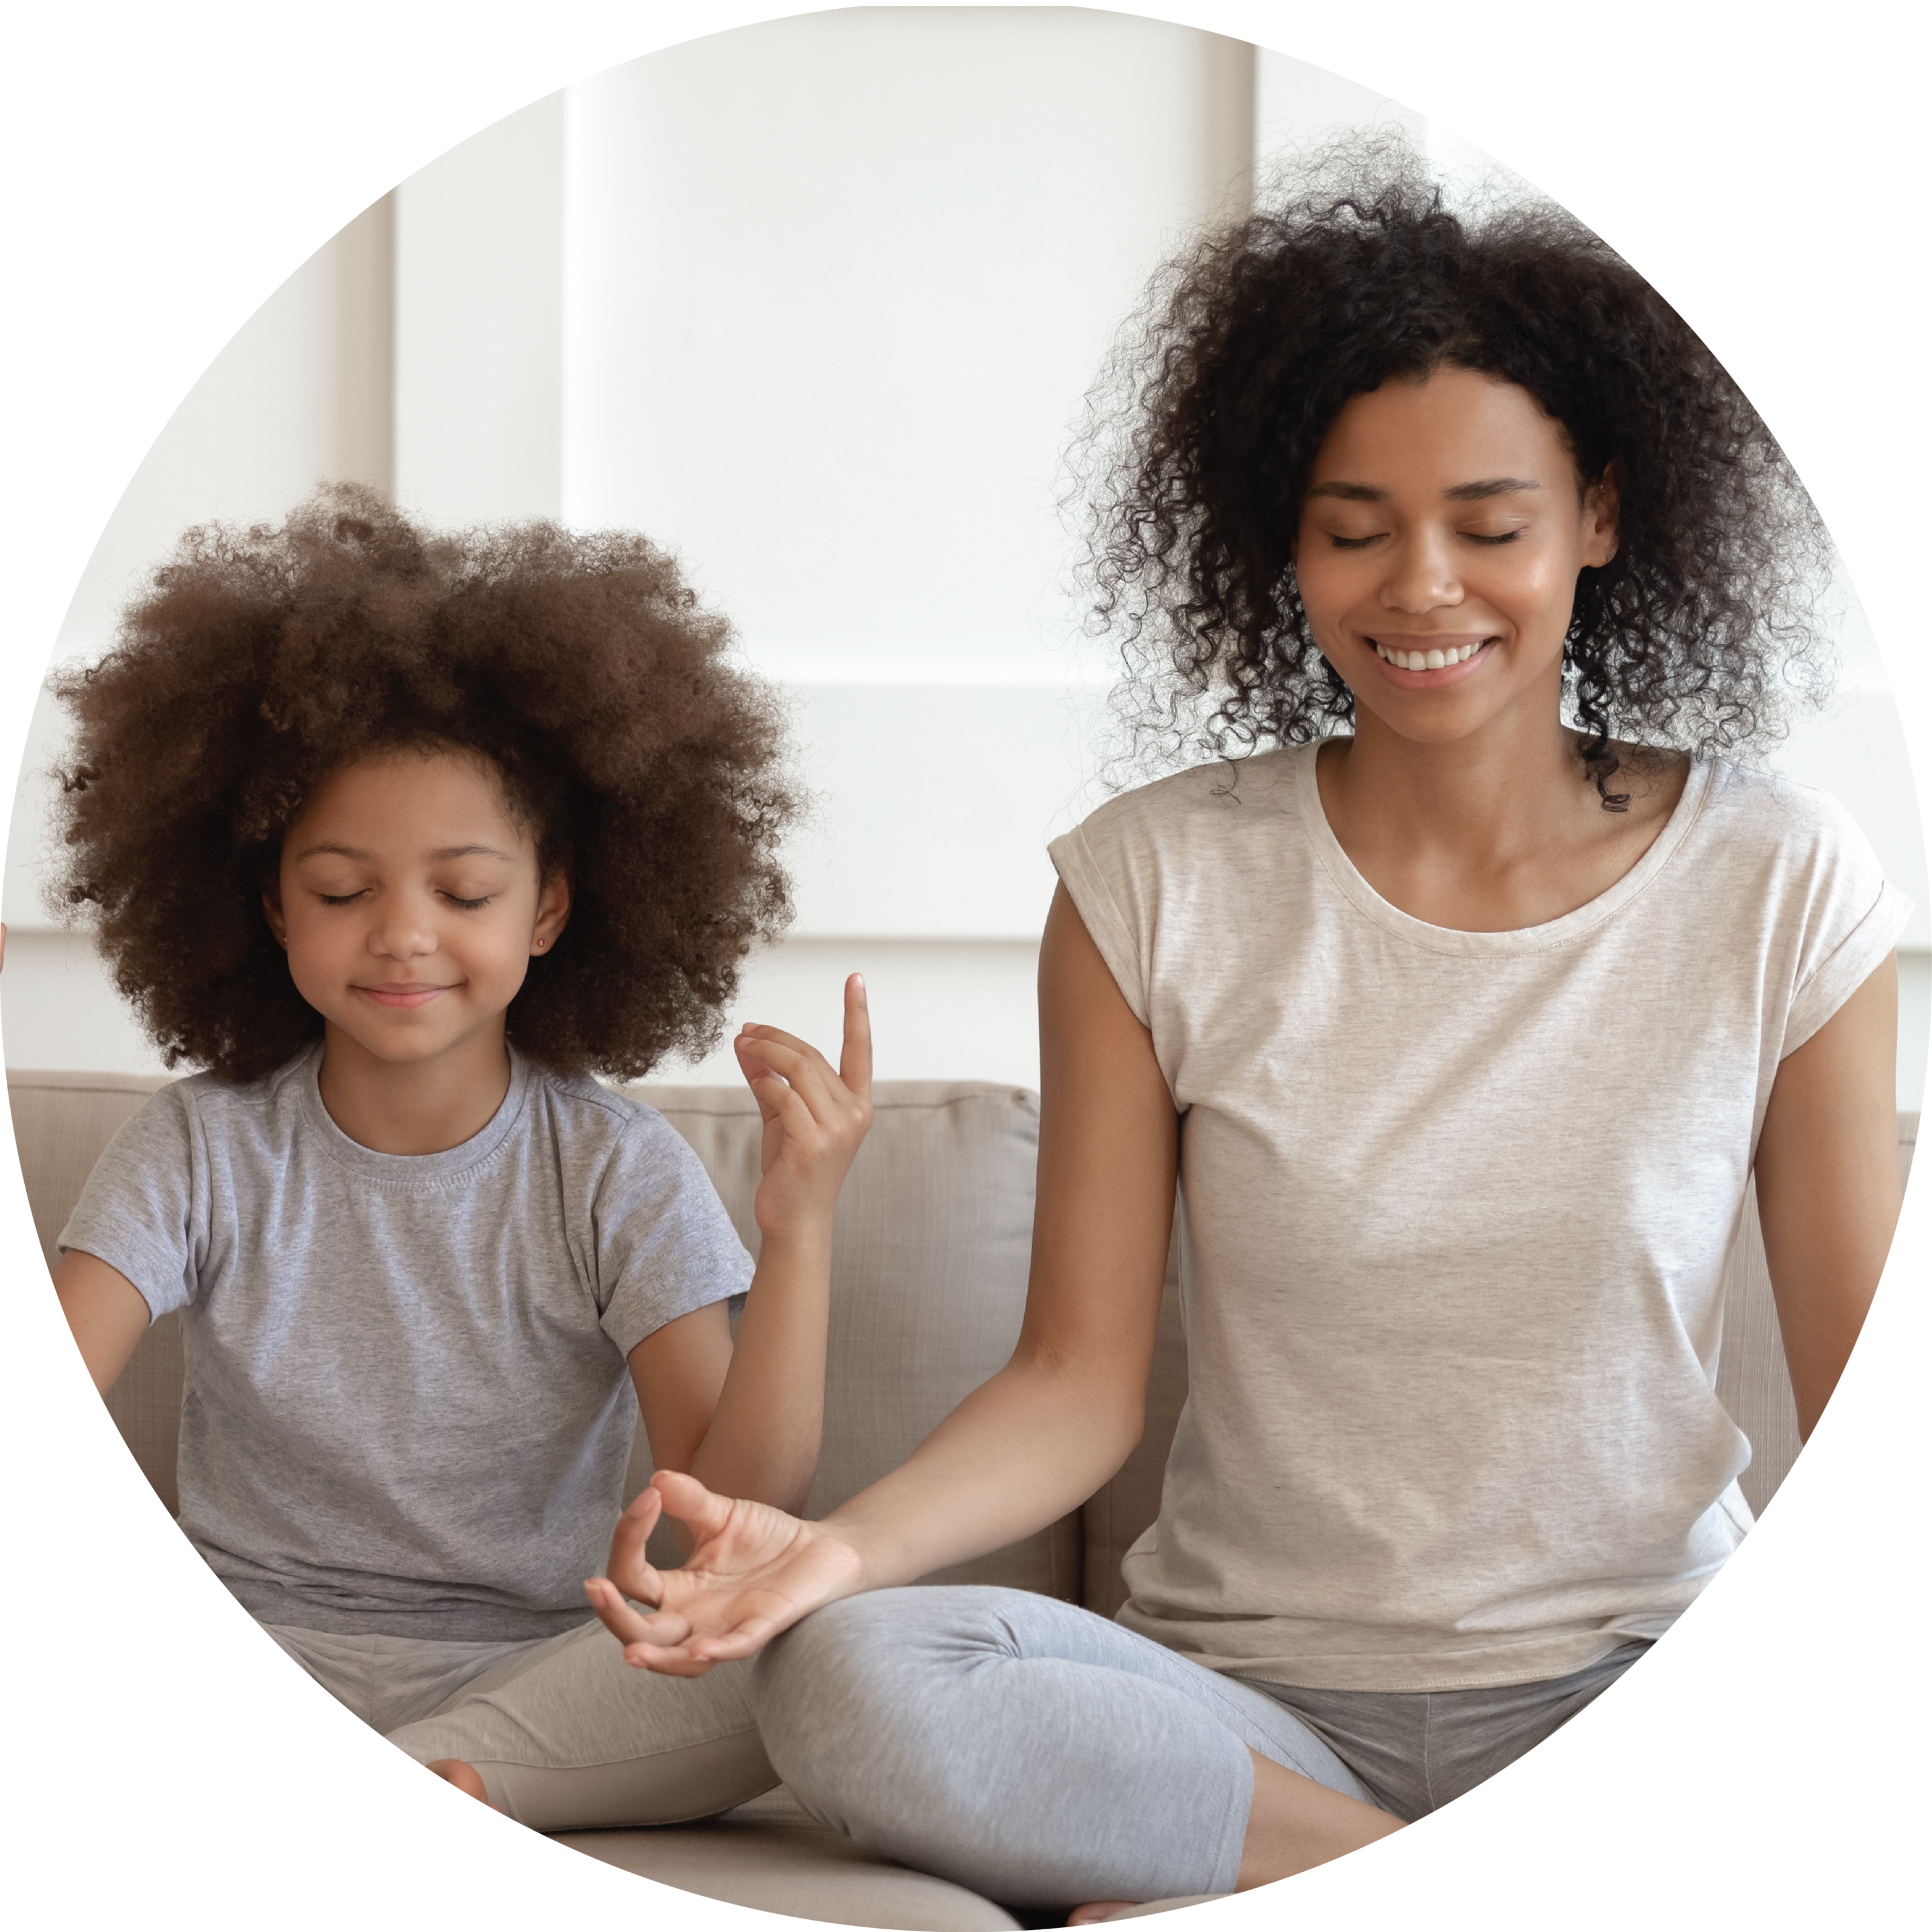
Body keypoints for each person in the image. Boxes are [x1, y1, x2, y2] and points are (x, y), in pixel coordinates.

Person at [580, 158, 1909, 1919]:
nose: (1421, 587)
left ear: (1600, 514)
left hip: (1618, 1657)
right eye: (1355, 527)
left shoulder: (1777, 879)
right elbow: (1074, 1387)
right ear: (1280, 537)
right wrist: (833, 1550)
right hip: (1249, 1711)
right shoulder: (1151, 884)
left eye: (1491, 526)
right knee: (848, 1672)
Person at [48, 487, 873, 1829]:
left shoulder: (616, 1170)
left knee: (812, 1649)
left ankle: (464, 1773)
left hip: (536, 1678)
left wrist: (803, 1229)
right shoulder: (199, 1144)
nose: (403, 935)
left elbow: (733, 1509)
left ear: (549, 907)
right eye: (340, 890)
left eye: (466, 891)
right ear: (268, 906)